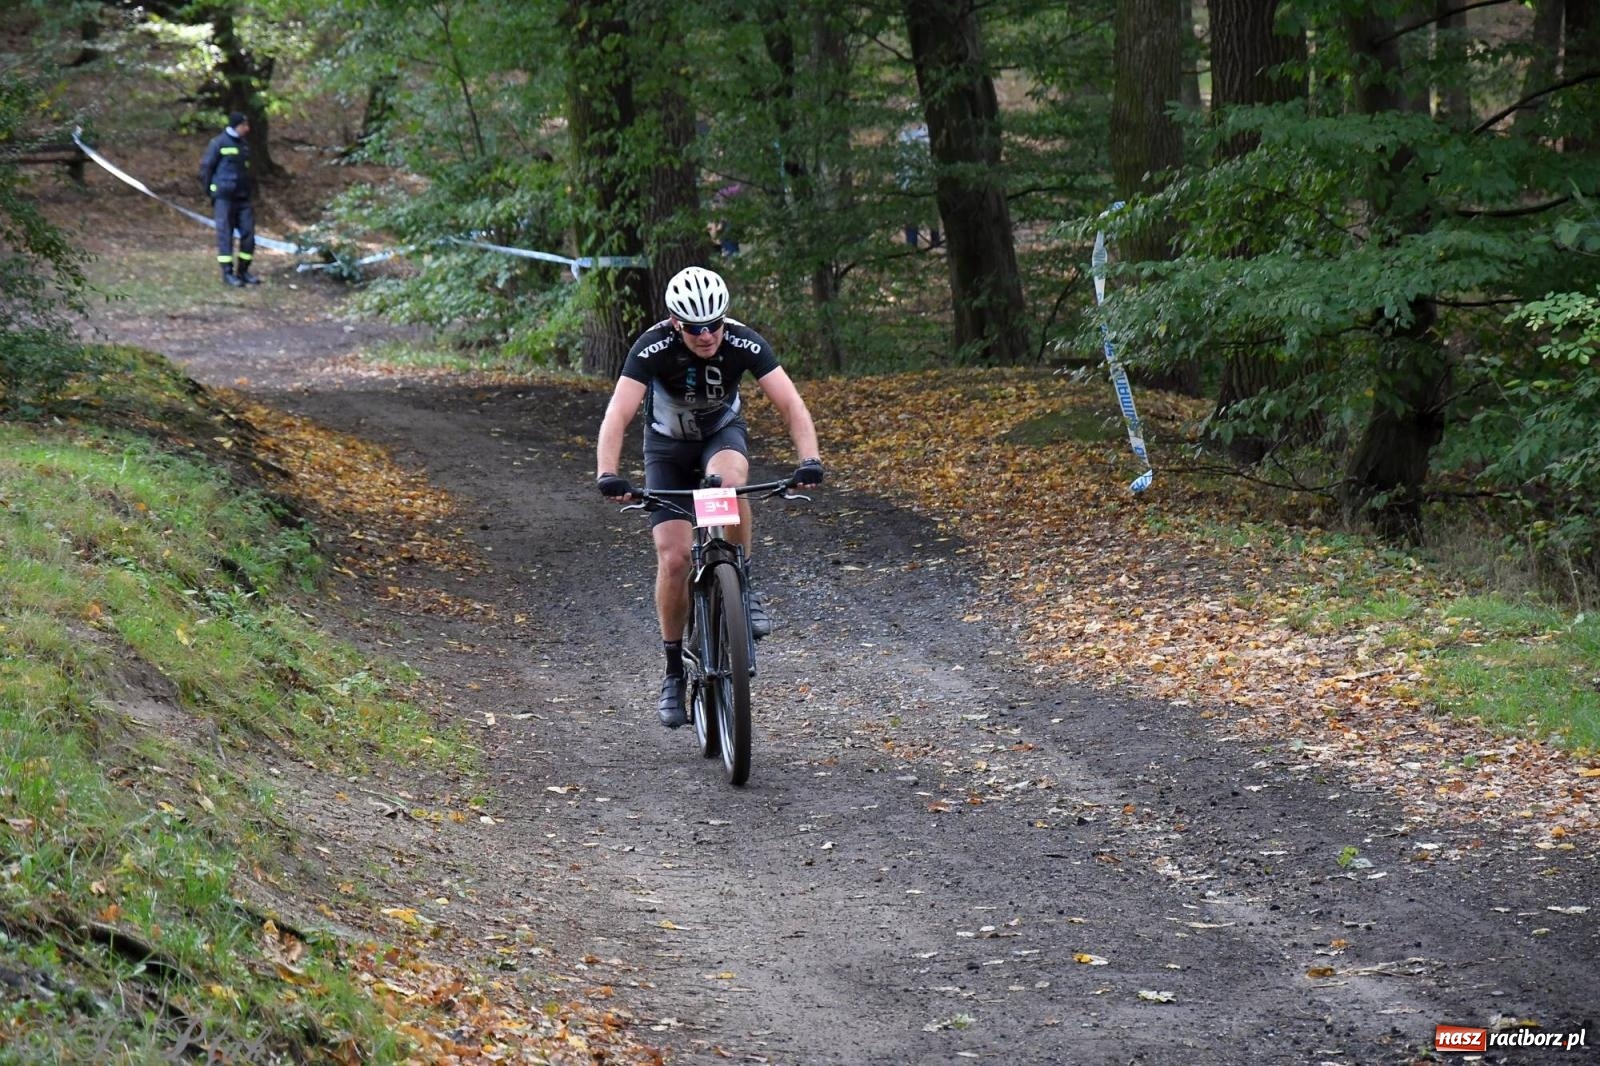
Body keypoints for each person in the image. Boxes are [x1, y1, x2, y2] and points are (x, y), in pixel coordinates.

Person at [595, 266, 824, 729]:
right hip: (668, 449)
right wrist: (608, 473)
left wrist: (810, 459)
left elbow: (791, 404)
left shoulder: (744, 341)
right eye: (695, 327)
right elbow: (617, 413)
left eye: (714, 324)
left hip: (720, 436)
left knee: (728, 483)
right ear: (675, 323)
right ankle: (674, 670)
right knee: (675, 558)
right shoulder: (652, 347)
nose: (707, 336)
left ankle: (742, 582)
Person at [198, 111, 258, 286]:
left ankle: (243, 271)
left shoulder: (244, 145)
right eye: (244, 125)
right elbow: (206, 168)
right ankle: (227, 273)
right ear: (236, 126)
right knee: (225, 235)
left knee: (249, 235)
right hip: (224, 198)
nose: (247, 129)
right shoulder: (218, 143)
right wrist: (211, 190)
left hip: (243, 198)